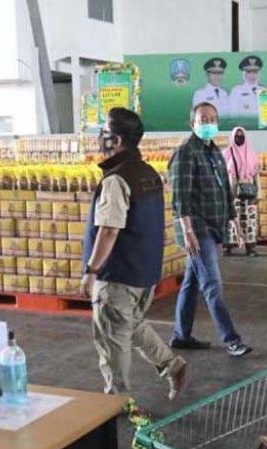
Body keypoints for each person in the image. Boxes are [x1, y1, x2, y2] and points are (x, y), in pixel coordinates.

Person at [82, 107, 187, 399]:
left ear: (116, 140)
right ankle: (171, 364)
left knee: (112, 340)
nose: (99, 138)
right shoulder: (148, 172)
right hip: (145, 274)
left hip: (117, 274)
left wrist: (91, 271)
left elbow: (109, 230)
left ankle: (118, 401)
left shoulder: (116, 179)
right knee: (130, 323)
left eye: (104, 132)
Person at [169, 102, 252, 357]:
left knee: (191, 283)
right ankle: (231, 339)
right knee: (212, 285)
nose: (208, 123)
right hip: (196, 228)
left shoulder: (214, 151)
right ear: (192, 123)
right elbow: (180, 197)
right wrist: (189, 232)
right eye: (203, 119)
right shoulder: (186, 152)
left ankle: (181, 336)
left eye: (212, 118)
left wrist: (235, 223)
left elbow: (224, 190)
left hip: (213, 226)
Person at [222, 126, 259, 256]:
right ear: (232, 137)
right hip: (233, 191)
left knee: (249, 220)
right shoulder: (227, 153)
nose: (239, 138)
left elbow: (256, 174)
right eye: (237, 135)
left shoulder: (251, 153)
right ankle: (228, 247)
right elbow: (222, 173)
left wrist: (258, 192)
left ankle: (250, 247)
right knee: (232, 218)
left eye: (241, 135)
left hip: (248, 190)